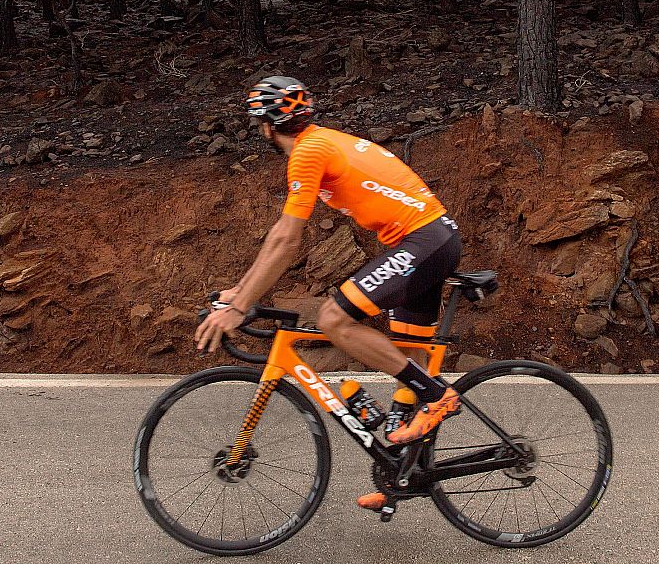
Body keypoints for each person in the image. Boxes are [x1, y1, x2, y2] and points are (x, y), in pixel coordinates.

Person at [194, 75, 462, 510]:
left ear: (265, 125)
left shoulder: (307, 152)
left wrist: (240, 305)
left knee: (333, 319)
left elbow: (286, 239)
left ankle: (437, 397)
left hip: (423, 241)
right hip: (427, 239)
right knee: (408, 355)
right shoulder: (321, 142)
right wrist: (240, 291)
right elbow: (280, 238)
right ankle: (403, 474)